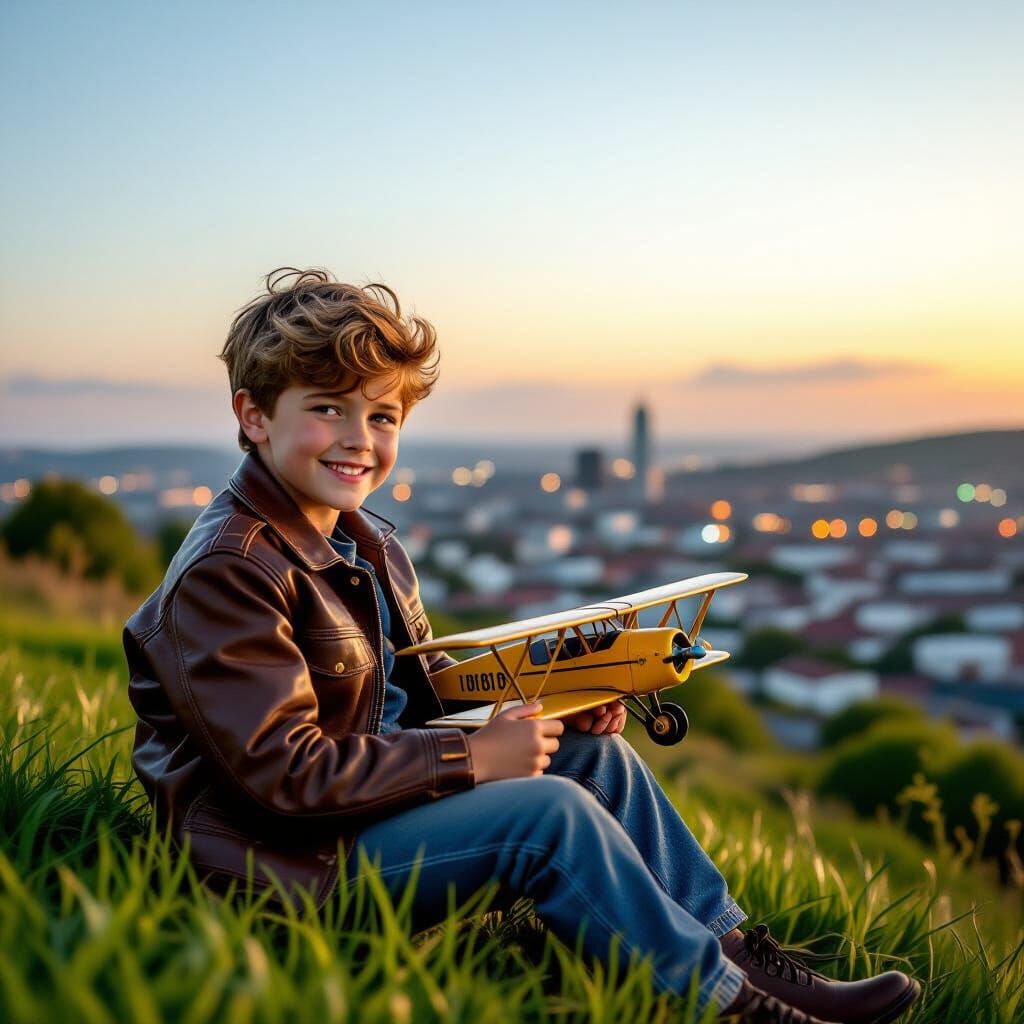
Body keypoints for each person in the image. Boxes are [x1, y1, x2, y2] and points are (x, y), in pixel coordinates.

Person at [124, 268, 920, 1023]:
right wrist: (473, 761)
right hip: (284, 867)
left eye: (382, 417)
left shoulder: (366, 544)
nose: (358, 439)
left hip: (356, 817)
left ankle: (735, 955)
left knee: (596, 762)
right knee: (549, 815)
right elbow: (283, 774)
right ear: (254, 416)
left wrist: (552, 708)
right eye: (328, 409)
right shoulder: (232, 568)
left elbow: (413, 702)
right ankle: (725, 1006)